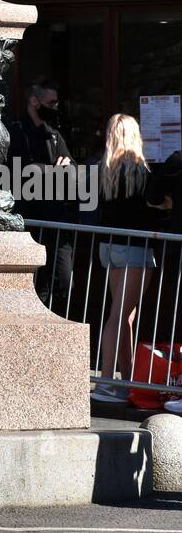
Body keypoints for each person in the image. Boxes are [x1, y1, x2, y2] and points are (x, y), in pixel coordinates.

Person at [91, 114, 159, 405]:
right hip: (134, 248)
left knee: (124, 315)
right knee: (119, 315)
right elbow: (154, 209)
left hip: (109, 247)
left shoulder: (102, 170)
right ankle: (107, 383)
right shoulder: (141, 172)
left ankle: (126, 378)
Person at [7, 77, 75, 308]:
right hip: (29, 218)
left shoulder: (54, 133)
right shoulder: (15, 131)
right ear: (34, 101)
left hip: (56, 218)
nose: (55, 108)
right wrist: (52, 170)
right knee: (34, 281)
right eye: (51, 102)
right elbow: (17, 169)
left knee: (63, 279)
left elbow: (71, 167)